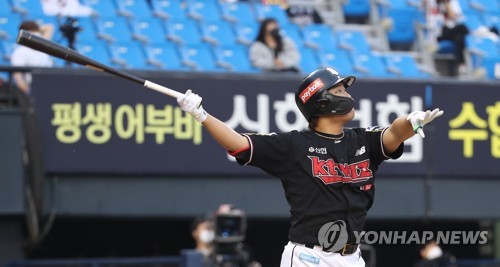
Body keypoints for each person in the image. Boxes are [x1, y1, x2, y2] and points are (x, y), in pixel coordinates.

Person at [176, 67, 444, 267]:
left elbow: (394, 133)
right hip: (309, 257)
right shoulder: (294, 145)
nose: (347, 94)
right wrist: (201, 115)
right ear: (321, 100)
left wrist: (411, 121)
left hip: (351, 257)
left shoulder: (363, 140)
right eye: (339, 90)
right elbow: (239, 144)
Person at [10, 21, 54, 95]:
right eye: (33, 33)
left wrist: (36, 29)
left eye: (37, 33)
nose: (37, 35)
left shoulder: (43, 45)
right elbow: (19, 79)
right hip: (32, 87)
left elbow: (49, 27)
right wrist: (30, 94)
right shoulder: (20, 52)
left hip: (49, 85)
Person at [434, 0, 469, 75]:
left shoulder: (452, 2)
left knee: (459, 37)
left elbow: (456, 18)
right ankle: (472, 34)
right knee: (462, 28)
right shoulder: (432, 2)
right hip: (438, 32)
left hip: (451, 31)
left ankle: (461, 64)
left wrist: (447, 4)